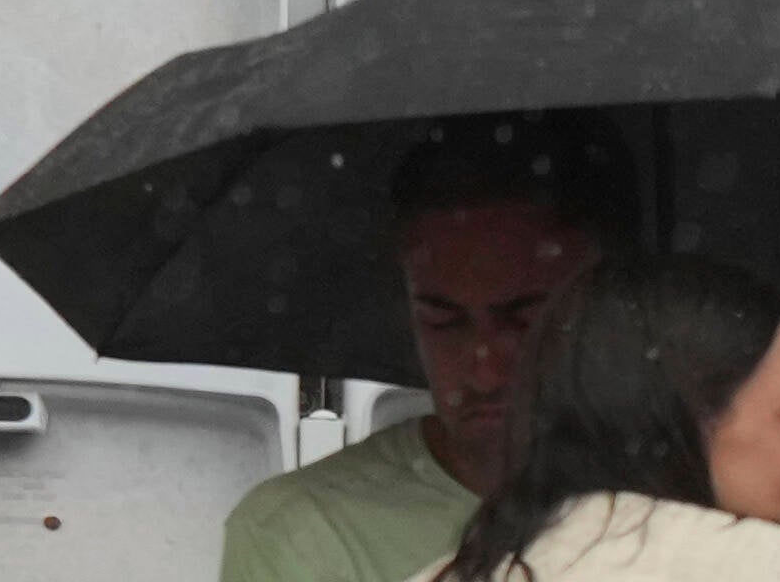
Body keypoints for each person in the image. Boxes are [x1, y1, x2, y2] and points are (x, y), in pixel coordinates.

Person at [212, 127, 634, 582]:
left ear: (609, 309)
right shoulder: (304, 531)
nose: (485, 370)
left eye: (526, 321)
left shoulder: (683, 494)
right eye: (443, 322)